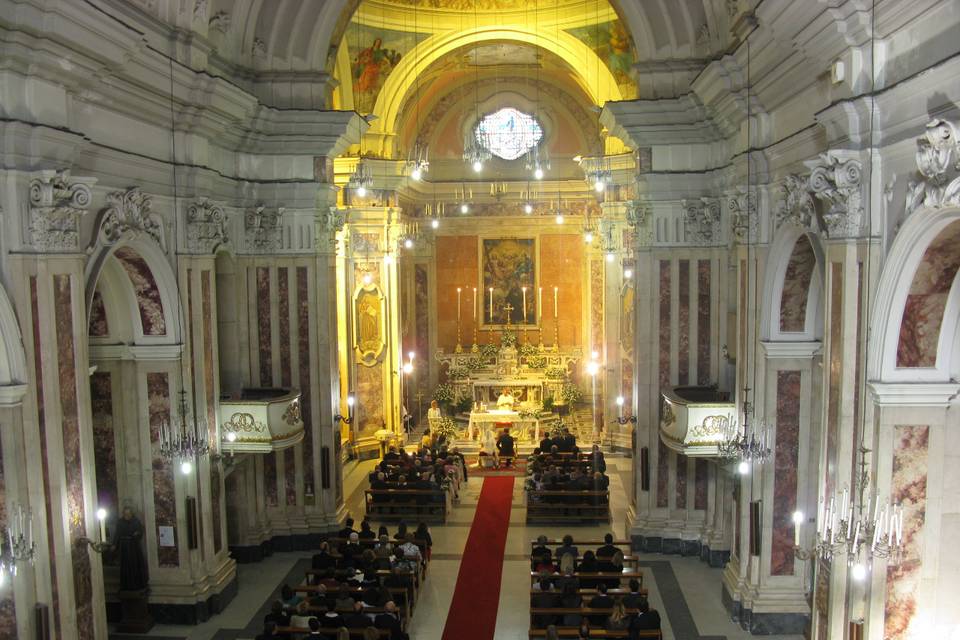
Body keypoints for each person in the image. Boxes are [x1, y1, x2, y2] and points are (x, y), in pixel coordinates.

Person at [112, 506, 149, 591]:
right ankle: (126, 585)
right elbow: (117, 534)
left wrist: (137, 533)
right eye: (125, 514)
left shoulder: (136, 521)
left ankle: (136, 584)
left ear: (131, 514)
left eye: (128, 514)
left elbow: (140, 531)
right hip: (124, 547)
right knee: (125, 566)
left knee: (134, 565)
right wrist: (114, 544)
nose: (127, 516)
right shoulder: (120, 522)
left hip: (133, 547)